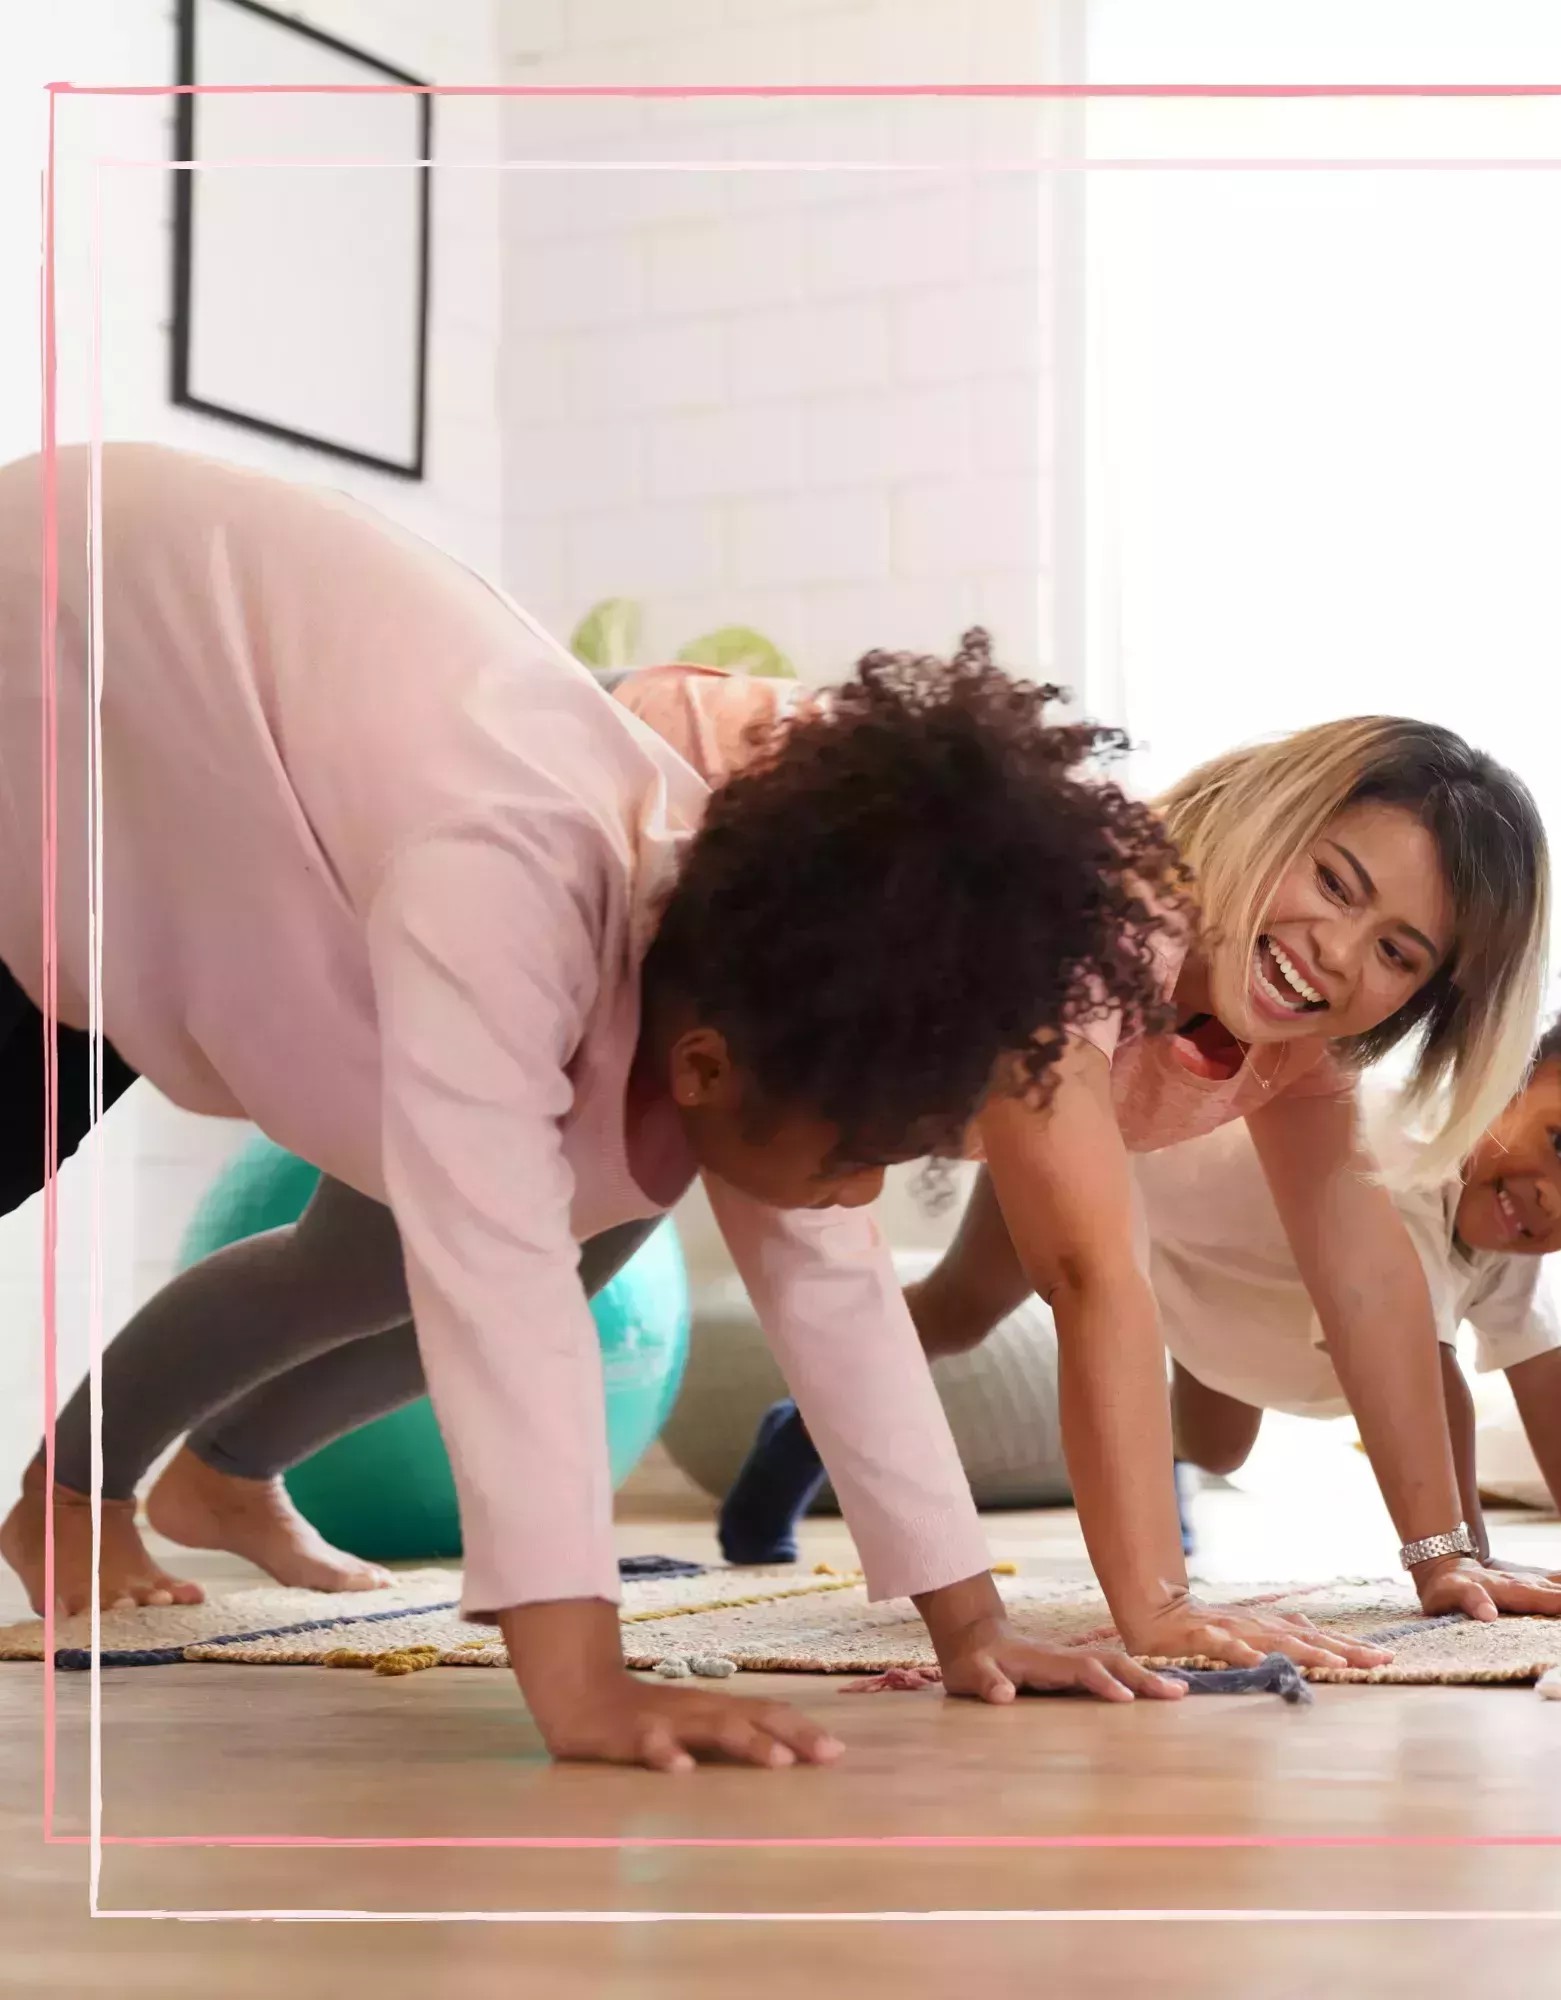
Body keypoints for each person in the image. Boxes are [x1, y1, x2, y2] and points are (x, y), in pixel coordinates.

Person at [0, 445, 1190, 1773]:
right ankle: (71, 1489)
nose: (860, 1199)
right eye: (869, 1158)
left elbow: (837, 1302)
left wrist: (972, 1623)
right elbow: (496, 1273)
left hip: (169, 699)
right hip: (56, 609)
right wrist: (584, 1684)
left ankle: (86, 1488)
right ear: (702, 1068)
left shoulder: (744, 968)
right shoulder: (507, 872)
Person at [685, 675, 1561, 1671]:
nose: (1335, 950)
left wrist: (1445, 1555)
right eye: (1333, 881)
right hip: (687, 798)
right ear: (1274, 816)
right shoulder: (1105, 921)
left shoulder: (1297, 1045)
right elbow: (1090, 1275)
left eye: (1397, 952)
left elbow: (1367, 1279)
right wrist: (1156, 1605)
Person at [1141, 933, 1561, 1593]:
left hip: (1239, 1296)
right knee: (1335, 1382)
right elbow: (1427, 1376)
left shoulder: (1511, 1221)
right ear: (1507, 1078)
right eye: (1559, 1143)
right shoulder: (1408, 1145)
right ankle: (1168, 1332)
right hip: (1159, 1211)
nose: (1553, 1198)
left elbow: (1547, 1375)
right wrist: (1466, 1556)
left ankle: (1189, 1336)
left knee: (1218, 1446)